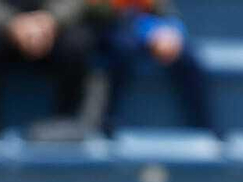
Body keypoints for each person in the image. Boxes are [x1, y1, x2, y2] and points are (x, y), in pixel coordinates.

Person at [0, 0, 103, 137]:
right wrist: (11, 23)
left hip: (52, 27)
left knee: (78, 44)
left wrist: (50, 21)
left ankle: (63, 125)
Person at [89, 0, 211, 130]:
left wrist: (170, 32)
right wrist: (145, 31)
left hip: (147, 27)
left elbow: (166, 12)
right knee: (121, 50)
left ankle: (204, 127)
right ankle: (106, 120)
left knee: (187, 57)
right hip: (109, 28)